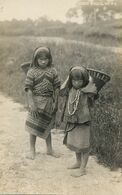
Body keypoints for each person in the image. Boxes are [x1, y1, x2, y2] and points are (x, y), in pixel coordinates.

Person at [59, 66, 97, 177]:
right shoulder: (71, 89)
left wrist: (89, 80)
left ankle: (83, 169)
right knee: (75, 142)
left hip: (83, 122)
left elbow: (93, 91)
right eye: (73, 80)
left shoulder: (87, 90)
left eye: (79, 80)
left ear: (84, 80)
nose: (76, 83)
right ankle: (78, 162)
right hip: (72, 120)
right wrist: (68, 77)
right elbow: (61, 91)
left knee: (83, 144)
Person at [24, 46, 60, 160]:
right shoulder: (32, 71)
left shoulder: (53, 70)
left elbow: (57, 87)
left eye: (46, 59)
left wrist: (56, 102)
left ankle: (49, 149)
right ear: (36, 59)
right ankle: (32, 150)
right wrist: (32, 104)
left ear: (50, 59)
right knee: (33, 126)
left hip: (49, 101)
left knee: (47, 126)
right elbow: (28, 89)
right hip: (36, 101)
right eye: (40, 59)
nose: (43, 61)